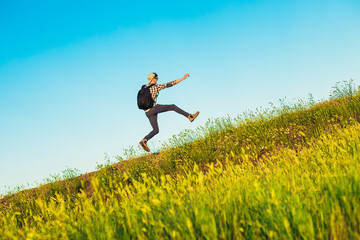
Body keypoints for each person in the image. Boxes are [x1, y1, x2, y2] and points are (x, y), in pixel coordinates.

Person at [139, 72, 199, 152]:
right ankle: (190, 116)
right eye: (157, 78)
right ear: (153, 79)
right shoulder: (155, 87)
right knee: (173, 106)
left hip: (147, 112)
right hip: (154, 108)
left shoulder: (143, 88)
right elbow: (171, 84)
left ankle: (144, 140)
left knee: (155, 130)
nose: (157, 80)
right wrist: (183, 78)